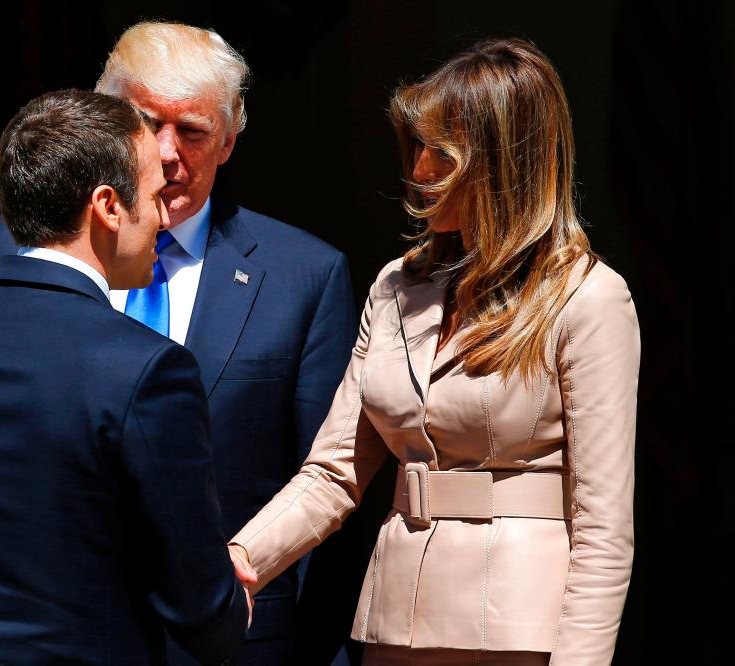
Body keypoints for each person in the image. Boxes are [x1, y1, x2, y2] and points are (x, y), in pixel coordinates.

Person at [0, 22, 360, 664]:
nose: (166, 152)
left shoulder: (303, 277)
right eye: (143, 123)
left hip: (233, 643)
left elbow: (330, 481)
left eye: (192, 131)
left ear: (228, 141)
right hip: (45, 634)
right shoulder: (0, 249)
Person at [229, 38, 640, 665]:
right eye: (416, 146)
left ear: (506, 164)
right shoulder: (397, 286)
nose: (418, 171)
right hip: (393, 625)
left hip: (520, 633)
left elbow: (603, 531)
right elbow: (333, 472)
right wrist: (240, 561)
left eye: (441, 154)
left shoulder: (588, 299)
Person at [0, 89, 249, 665]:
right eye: (152, 196)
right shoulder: (145, 369)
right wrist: (231, 607)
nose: (161, 215)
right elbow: (194, 600)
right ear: (106, 206)